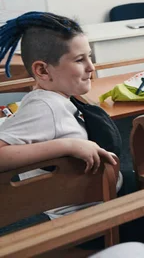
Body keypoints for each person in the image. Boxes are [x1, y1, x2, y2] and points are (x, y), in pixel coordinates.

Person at [0, 12, 117, 174]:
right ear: (42, 70)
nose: (91, 67)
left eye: (89, 56)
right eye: (79, 60)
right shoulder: (45, 107)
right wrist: (68, 146)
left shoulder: (56, 98)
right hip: (86, 198)